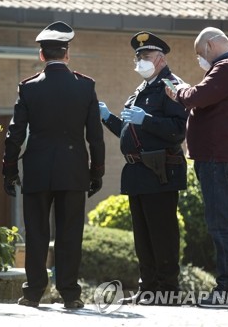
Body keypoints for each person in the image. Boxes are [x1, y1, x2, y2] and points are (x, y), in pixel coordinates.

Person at [2, 21, 105, 309]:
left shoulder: (28, 88)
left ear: (42, 56)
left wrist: (9, 170)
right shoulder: (85, 87)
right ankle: (70, 294)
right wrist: (96, 172)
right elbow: (95, 137)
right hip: (73, 170)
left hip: (37, 169)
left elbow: (15, 134)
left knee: (36, 232)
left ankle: (33, 293)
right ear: (67, 55)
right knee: (70, 233)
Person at [165, 27, 228, 308]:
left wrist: (178, 90)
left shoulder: (227, 68)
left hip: (219, 160)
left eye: (199, 53)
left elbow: (196, 96)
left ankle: (227, 291)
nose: (200, 59)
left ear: (211, 44)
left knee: (221, 227)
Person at [99, 31, 188, 305]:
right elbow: (130, 132)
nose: (140, 62)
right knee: (143, 237)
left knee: (162, 234)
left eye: (145, 57)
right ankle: (148, 289)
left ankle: (168, 291)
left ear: (160, 60)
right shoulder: (141, 91)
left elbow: (178, 131)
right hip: (138, 172)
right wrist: (108, 118)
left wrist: (146, 119)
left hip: (160, 171)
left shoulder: (171, 87)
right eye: (137, 58)